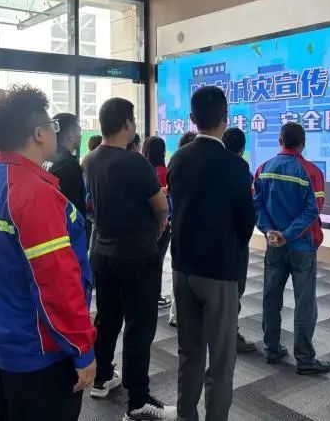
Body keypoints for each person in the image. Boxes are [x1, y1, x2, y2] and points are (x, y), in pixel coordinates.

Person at [0, 86, 96, 421]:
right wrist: (82, 348)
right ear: (39, 133)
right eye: (53, 126)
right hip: (37, 353)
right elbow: (56, 284)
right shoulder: (34, 194)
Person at [168, 86, 255, 421]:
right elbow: (246, 222)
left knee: (189, 353)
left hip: (182, 268)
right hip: (219, 272)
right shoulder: (236, 166)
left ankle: (185, 416)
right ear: (225, 117)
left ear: (192, 118)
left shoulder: (178, 158)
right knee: (221, 360)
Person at [86, 98, 175, 420]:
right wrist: (160, 223)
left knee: (107, 317)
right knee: (139, 326)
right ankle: (138, 401)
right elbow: (161, 206)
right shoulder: (135, 162)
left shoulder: (91, 159)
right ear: (126, 123)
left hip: (102, 252)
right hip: (136, 255)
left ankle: (102, 378)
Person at [254, 122, 330, 375]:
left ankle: (272, 348)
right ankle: (305, 359)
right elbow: (312, 211)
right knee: (304, 302)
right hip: (302, 246)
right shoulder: (312, 172)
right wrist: (287, 235)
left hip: (274, 244)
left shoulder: (263, 169)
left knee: (271, 297)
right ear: (303, 143)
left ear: (280, 141)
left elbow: (257, 206)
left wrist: (271, 231)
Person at [221, 127, 257, 354]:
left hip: (212, 239)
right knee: (235, 289)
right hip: (234, 241)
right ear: (242, 149)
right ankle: (231, 336)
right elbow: (247, 212)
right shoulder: (242, 169)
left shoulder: (210, 164)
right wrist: (243, 239)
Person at [167, 131, 198, 328]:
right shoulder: (197, 168)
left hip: (178, 227)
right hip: (193, 228)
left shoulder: (175, 164)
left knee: (179, 273)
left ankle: (176, 314)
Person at [141, 136, 171, 309]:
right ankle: (155, 295)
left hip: (144, 223)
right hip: (162, 222)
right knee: (157, 260)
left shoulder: (143, 170)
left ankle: (145, 293)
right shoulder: (165, 172)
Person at [49, 112, 85, 216]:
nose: (81, 135)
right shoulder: (69, 164)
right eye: (79, 130)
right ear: (70, 136)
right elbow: (72, 208)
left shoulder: (47, 158)